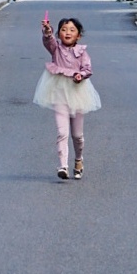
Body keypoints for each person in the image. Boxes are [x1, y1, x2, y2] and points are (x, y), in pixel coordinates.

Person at [33, 14, 101, 180]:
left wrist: (80, 75)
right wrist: (47, 32)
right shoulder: (56, 49)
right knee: (62, 132)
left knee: (77, 135)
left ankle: (78, 160)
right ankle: (63, 165)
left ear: (78, 35)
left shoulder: (82, 52)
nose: (67, 33)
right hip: (59, 93)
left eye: (72, 30)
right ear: (59, 34)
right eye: (63, 30)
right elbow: (48, 41)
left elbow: (87, 69)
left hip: (78, 94)